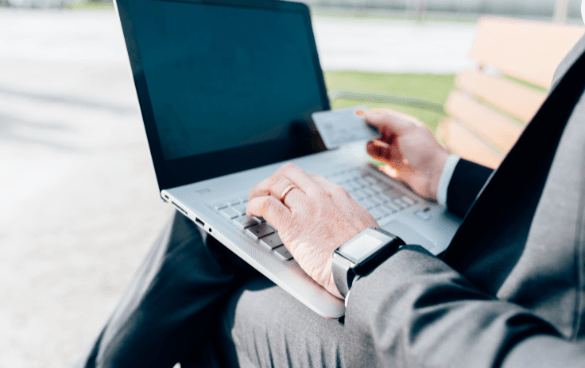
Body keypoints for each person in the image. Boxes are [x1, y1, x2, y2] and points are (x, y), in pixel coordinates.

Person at [75, 10, 585, 368]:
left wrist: (365, 256)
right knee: (237, 221)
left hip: (454, 328)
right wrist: (443, 173)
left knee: (221, 260)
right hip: (481, 285)